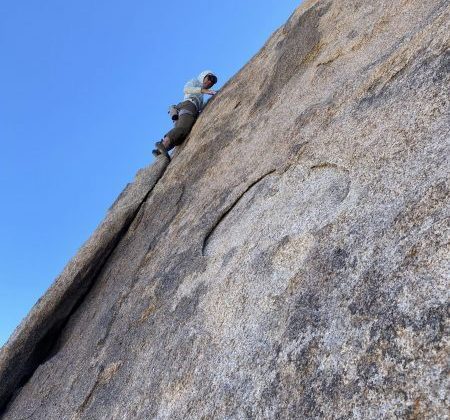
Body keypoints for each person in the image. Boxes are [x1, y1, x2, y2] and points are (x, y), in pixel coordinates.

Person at [152, 70, 218, 159]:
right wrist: (203, 90)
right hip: (188, 105)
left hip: (188, 107)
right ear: (204, 76)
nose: (210, 82)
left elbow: (200, 106)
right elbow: (186, 89)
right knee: (183, 128)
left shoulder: (200, 96)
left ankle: (159, 152)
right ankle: (163, 144)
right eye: (210, 78)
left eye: (213, 82)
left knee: (181, 137)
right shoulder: (195, 82)